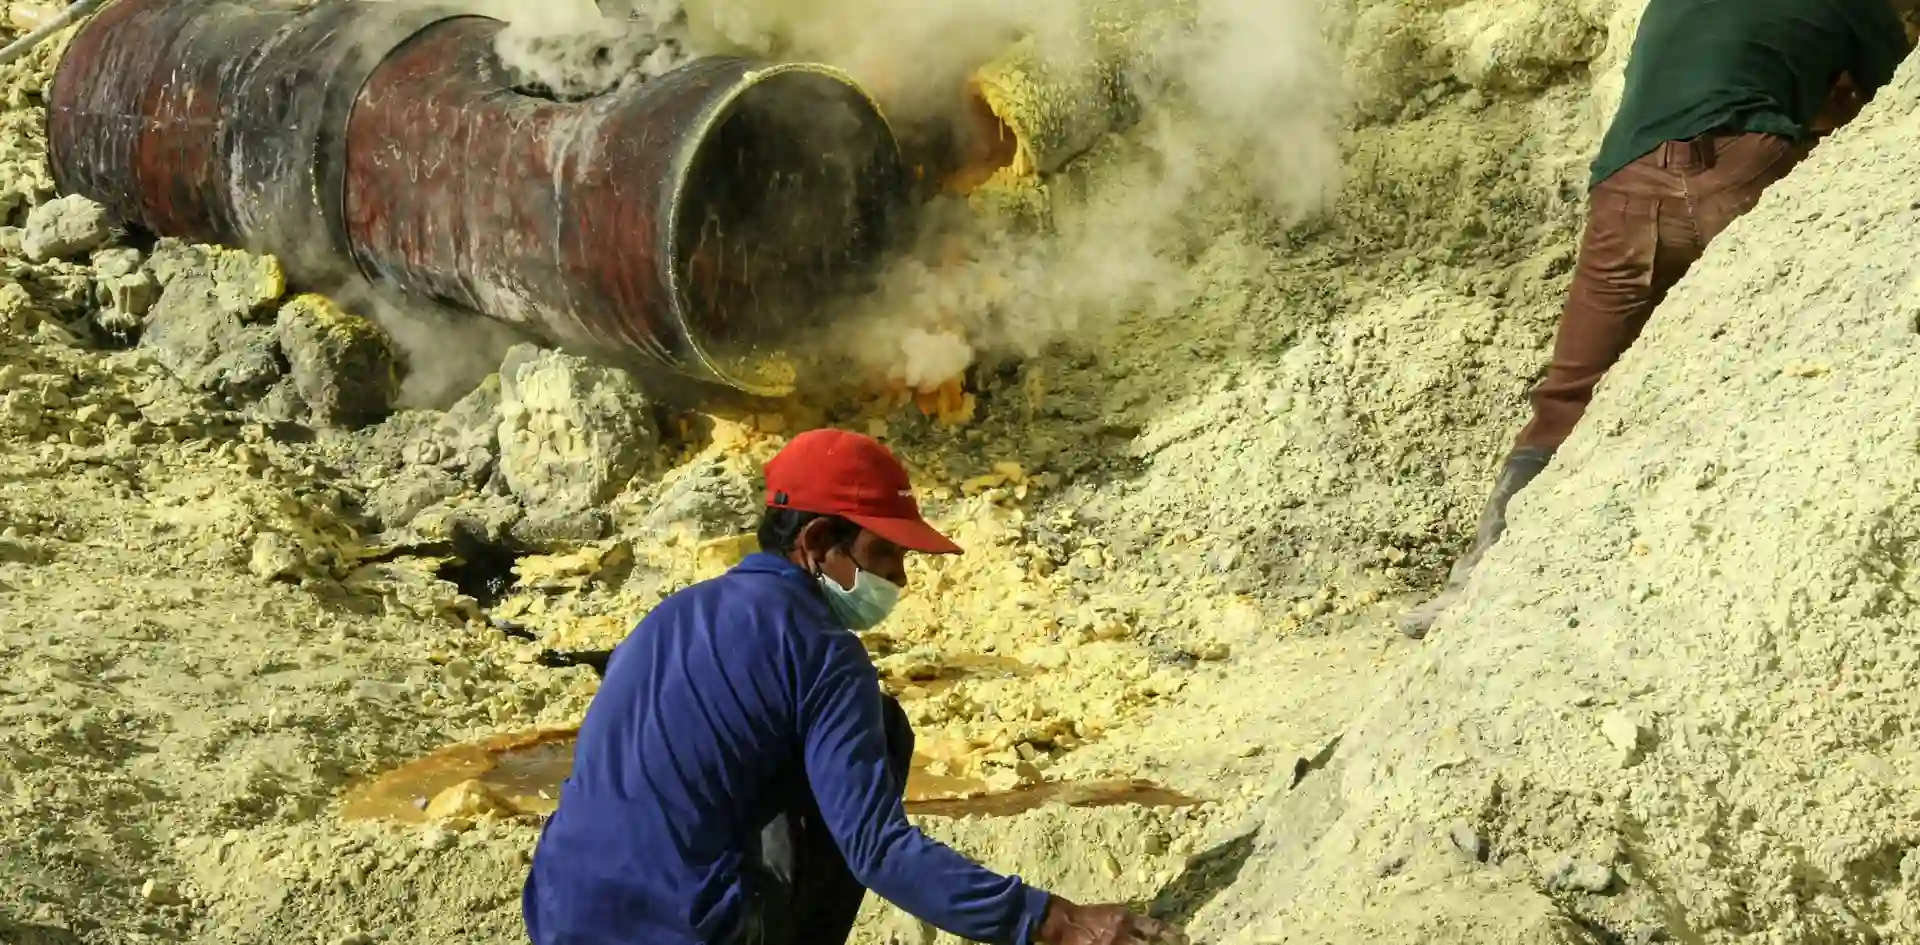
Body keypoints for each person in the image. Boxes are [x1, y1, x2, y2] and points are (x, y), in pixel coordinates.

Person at [523, 427, 1186, 945]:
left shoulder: (670, 615)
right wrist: (1055, 921)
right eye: (884, 552)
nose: (900, 576)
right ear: (817, 541)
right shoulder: (821, 651)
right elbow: (878, 848)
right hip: (679, 931)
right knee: (883, 727)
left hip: (556, 915)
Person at [1398, 0, 1919, 639]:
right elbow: (1894, 110)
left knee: (1569, 393)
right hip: (1744, 170)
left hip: (1629, 183)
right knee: (1784, 369)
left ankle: (1472, 588)